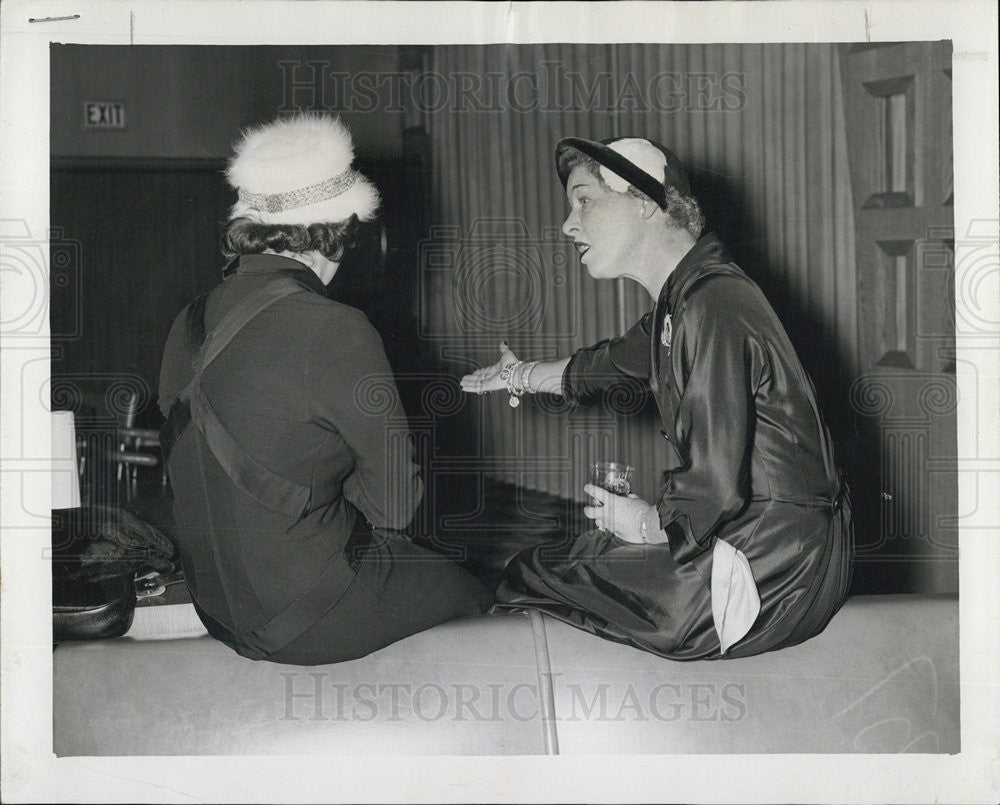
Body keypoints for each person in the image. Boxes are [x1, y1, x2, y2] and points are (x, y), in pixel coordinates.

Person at [461, 136, 852, 660]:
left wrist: (646, 524)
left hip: (771, 571)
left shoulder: (711, 305)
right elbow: (610, 363)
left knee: (532, 574)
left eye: (584, 201)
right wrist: (522, 375)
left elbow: (712, 486)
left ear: (645, 202)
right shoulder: (688, 297)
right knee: (574, 559)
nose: (567, 224)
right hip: (777, 551)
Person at [158, 113, 491, 665]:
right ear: (336, 231)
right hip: (306, 614)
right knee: (474, 594)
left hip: (218, 610)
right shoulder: (335, 327)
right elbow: (395, 504)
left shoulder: (186, 323)